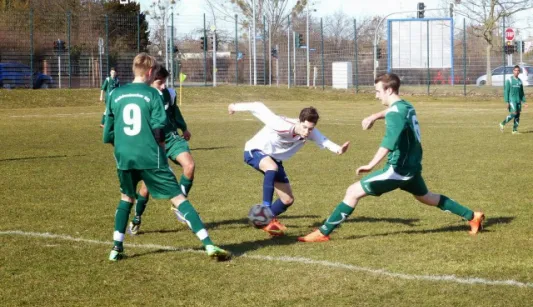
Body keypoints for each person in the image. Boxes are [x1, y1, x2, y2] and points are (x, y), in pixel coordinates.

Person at [298, 73, 485, 242]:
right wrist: (373, 116)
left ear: (389, 89)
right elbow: (392, 112)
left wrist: (370, 165)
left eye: (378, 91)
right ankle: (472, 216)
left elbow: (388, 143)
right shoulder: (406, 106)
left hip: (398, 169)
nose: (376, 95)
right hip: (412, 166)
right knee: (426, 197)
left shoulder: (395, 115)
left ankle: (323, 232)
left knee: (353, 191)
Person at [103, 53, 230, 261]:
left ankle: (116, 248)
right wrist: (161, 153)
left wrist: (122, 149)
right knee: (179, 198)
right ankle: (208, 244)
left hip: (124, 157)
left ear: (134, 69)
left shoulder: (115, 94)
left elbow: (107, 134)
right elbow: (159, 132)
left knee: (126, 198)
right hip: (151, 156)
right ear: (151, 72)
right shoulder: (153, 95)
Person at [228, 102, 350, 236]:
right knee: (271, 167)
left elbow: (324, 141)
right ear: (299, 121)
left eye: (310, 129)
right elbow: (258, 106)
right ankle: (266, 208)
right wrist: (234, 107)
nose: (307, 131)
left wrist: (339, 149)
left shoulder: (310, 132)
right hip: (255, 150)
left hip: (274, 159)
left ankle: (262, 221)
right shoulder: (280, 124)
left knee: (287, 199)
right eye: (304, 127)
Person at [128, 65, 195, 234]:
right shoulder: (142, 96)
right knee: (146, 187)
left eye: (165, 82)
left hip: (171, 138)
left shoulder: (169, 93)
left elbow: (174, 111)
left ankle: (179, 204)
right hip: (153, 143)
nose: (163, 86)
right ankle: (136, 218)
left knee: (189, 166)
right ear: (150, 80)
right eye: (160, 82)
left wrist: (183, 128)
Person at [499, 65, 528, 135]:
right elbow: (506, 91)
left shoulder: (520, 81)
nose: (517, 72)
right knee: (514, 113)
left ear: (519, 72)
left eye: (518, 70)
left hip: (518, 100)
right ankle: (502, 123)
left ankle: (514, 130)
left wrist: (524, 101)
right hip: (512, 100)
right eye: (515, 70)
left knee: (518, 114)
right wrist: (507, 101)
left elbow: (522, 92)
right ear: (513, 71)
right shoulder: (509, 80)